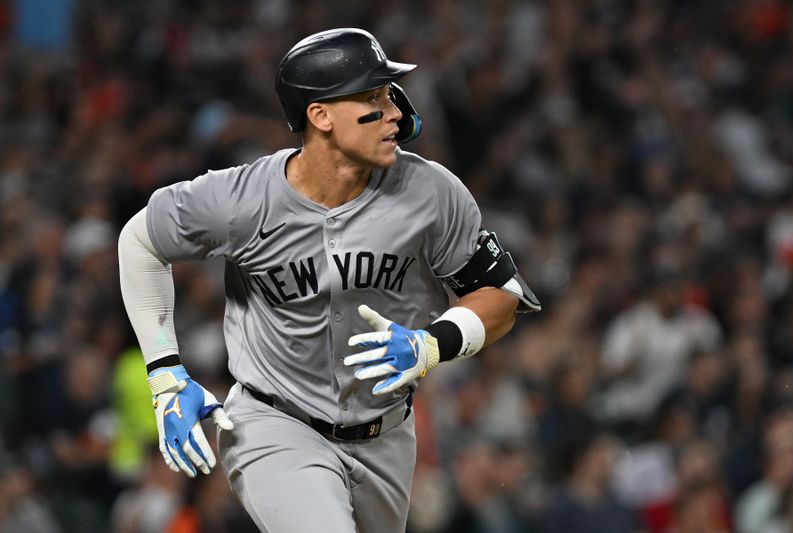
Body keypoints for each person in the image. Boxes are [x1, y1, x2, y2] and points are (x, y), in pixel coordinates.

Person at [118, 27, 539, 533]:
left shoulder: (431, 192)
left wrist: (434, 344)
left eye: (389, 95)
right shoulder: (240, 199)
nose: (396, 113)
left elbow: (501, 296)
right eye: (372, 98)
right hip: (274, 425)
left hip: (387, 437)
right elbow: (139, 241)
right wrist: (165, 372)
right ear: (319, 116)